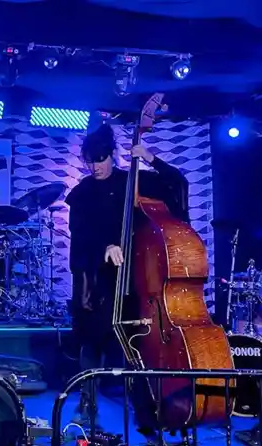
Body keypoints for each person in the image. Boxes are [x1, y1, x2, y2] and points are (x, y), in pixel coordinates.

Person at [65, 124, 189, 425]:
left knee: (139, 344)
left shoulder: (132, 181)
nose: (95, 167)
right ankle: (87, 403)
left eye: (101, 159)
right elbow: (79, 235)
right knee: (92, 341)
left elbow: (177, 184)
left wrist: (149, 157)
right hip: (98, 279)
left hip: (137, 277)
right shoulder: (81, 193)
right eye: (90, 161)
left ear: (112, 155)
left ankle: (147, 411)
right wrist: (105, 247)